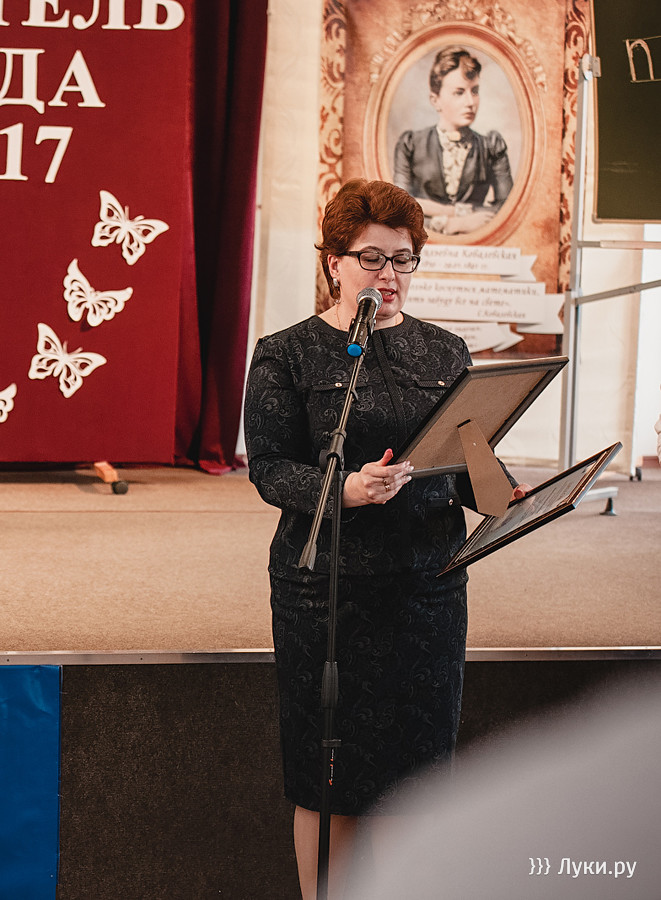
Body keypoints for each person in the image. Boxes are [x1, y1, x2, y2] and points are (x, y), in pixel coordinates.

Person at [243, 178, 529, 900]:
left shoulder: (444, 351)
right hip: (325, 593)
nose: (389, 275)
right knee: (327, 778)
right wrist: (345, 489)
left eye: (403, 260)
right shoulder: (288, 353)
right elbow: (270, 468)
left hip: (426, 590)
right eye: (371, 259)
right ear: (333, 262)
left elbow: (466, 464)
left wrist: (502, 491)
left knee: (415, 779)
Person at [393, 46, 513, 236]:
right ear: (435, 100)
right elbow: (398, 208)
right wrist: (453, 221)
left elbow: (507, 208)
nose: (470, 102)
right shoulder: (411, 145)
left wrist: (430, 209)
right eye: (459, 92)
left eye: (475, 91)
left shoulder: (491, 147)